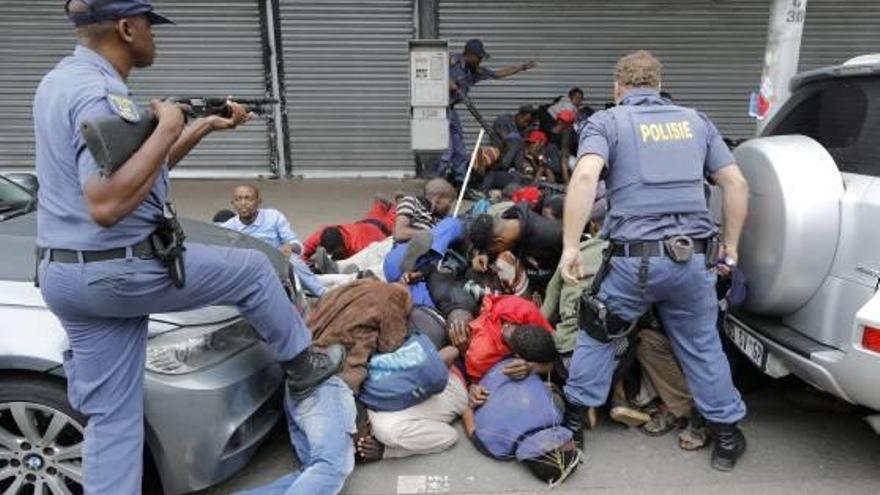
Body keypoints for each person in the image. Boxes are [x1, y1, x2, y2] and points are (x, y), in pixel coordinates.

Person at [33, 2, 343, 493]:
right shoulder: (100, 93)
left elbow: (136, 176)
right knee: (254, 271)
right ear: (126, 27)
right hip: (117, 269)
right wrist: (170, 126)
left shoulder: (57, 82)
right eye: (150, 27)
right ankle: (304, 367)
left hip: (65, 276)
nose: (155, 37)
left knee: (112, 421)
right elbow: (108, 203)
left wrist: (200, 126)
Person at [558, 50, 750, 471]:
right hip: (693, 261)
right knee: (702, 346)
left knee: (598, 331)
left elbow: (586, 176)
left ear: (618, 87)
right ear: (658, 86)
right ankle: (727, 437)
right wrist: (732, 246)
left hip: (634, 263)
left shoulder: (607, 122)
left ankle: (573, 424)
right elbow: (735, 182)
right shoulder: (696, 122)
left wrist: (571, 246)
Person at [436, 39, 536, 184]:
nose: (480, 61)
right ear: (469, 54)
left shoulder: (474, 71)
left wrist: (522, 67)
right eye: (479, 57)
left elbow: (497, 74)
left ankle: (461, 181)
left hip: (451, 111)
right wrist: (446, 82)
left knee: (460, 150)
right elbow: (432, 74)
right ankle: (438, 182)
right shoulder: (453, 62)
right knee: (447, 152)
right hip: (439, 111)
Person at [222, 185, 326, 297]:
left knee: (292, 260)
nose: (243, 203)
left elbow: (297, 245)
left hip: (278, 265)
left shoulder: (273, 216)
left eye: (248, 198)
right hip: (250, 270)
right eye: (238, 199)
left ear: (259, 201)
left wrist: (290, 247)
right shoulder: (227, 228)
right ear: (232, 203)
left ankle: (323, 294)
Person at [469, 202, 563, 293]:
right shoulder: (508, 219)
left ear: (499, 241)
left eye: (494, 249)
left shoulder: (553, 237)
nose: (496, 251)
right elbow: (494, 237)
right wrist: (485, 254)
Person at [301, 196, 397, 263]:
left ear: (341, 247)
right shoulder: (322, 233)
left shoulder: (359, 247)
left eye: (334, 253)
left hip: (378, 231)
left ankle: (398, 206)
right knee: (374, 216)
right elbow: (303, 250)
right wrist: (303, 262)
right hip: (365, 223)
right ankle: (380, 206)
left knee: (391, 221)